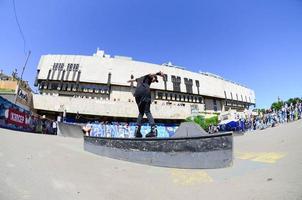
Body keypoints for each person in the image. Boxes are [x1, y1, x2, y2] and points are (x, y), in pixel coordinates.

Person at [128, 71, 165, 138]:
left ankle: (137, 131)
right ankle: (153, 130)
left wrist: (129, 81)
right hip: (145, 92)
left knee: (141, 112)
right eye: (154, 80)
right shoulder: (149, 77)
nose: (154, 81)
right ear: (153, 77)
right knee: (147, 111)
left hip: (137, 94)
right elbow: (151, 74)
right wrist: (158, 74)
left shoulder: (140, 78)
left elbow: (133, 80)